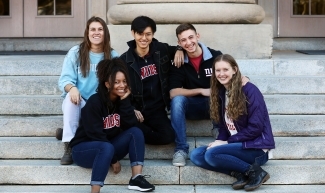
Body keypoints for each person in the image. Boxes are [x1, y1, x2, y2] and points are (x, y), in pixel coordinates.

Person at [69, 58, 155, 193]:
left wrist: (125, 102)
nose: (122, 85)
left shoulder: (122, 100)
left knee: (136, 132)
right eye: (116, 82)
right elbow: (95, 134)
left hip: (106, 147)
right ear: (107, 84)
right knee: (106, 147)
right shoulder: (95, 103)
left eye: (124, 81)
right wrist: (114, 159)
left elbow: (130, 125)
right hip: (83, 150)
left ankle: (136, 178)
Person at [190, 54, 275, 191]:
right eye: (218, 70)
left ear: (234, 70)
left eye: (225, 70)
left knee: (211, 154)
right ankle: (241, 173)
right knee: (196, 155)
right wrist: (219, 140)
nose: (221, 74)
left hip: (256, 149)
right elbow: (224, 126)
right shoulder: (223, 91)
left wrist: (227, 142)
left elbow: (256, 128)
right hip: (236, 145)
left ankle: (256, 172)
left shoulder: (250, 91)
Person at [57, 16, 119, 165]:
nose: (96, 33)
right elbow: (64, 80)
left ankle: (68, 130)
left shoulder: (113, 56)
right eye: (93, 29)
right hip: (80, 102)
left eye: (100, 29)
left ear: (105, 33)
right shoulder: (76, 52)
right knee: (71, 101)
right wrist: (72, 88)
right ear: (87, 32)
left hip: (100, 107)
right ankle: (70, 144)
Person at [119, 16, 184, 146]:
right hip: (137, 109)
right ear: (133, 33)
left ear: (153, 34)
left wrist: (179, 50)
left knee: (168, 136)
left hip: (157, 110)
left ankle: (136, 131)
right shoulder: (124, 60)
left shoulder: (160, 49)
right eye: (140, 34)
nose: (144, 38)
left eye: (148, 34)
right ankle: (135, 129)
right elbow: (119, 89)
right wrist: (131, 108)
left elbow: (177, 48)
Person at [169, 23, 222, 166]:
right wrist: (200, 91)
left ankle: (220, 132)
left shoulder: (216, 56)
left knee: (221, 91)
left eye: (191, 37)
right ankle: (181, 149)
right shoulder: (178, 62)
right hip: (192, 106)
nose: (188, 43)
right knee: (177, 100)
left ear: (197, 36)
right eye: (183, 40)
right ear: (179, 43)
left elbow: (230, 77)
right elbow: (173, 92)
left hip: (214, 106)